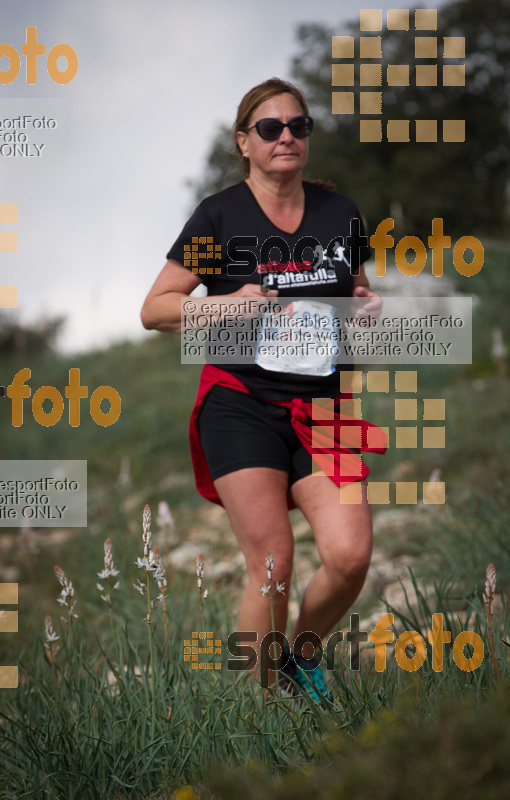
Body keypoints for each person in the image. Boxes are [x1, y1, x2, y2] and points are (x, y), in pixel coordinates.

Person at [141, 78, 385, 699]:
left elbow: (352, 290)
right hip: (240, 405)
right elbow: (155, 309)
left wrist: (363, 306)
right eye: (271, 128)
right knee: (272, 565)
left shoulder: (342, 214)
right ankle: (259, 711)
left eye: (298, 127)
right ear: (244, 142)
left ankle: (302, 659)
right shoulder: (219, 215)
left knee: (351, 556)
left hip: (321, 410)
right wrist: (230, 307)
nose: (286, 138)